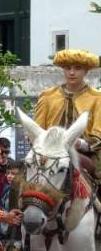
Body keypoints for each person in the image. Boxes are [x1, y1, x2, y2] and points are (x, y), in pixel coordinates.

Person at [34, 49, 101, 181]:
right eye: (67, 68)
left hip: (86, 154)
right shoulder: (47, 96)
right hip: (48, 152)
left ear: (86, 70)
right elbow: (37, 130)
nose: (71, 72)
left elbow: (99, 134)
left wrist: (80, 143)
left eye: (78, 68)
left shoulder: (97, 98)